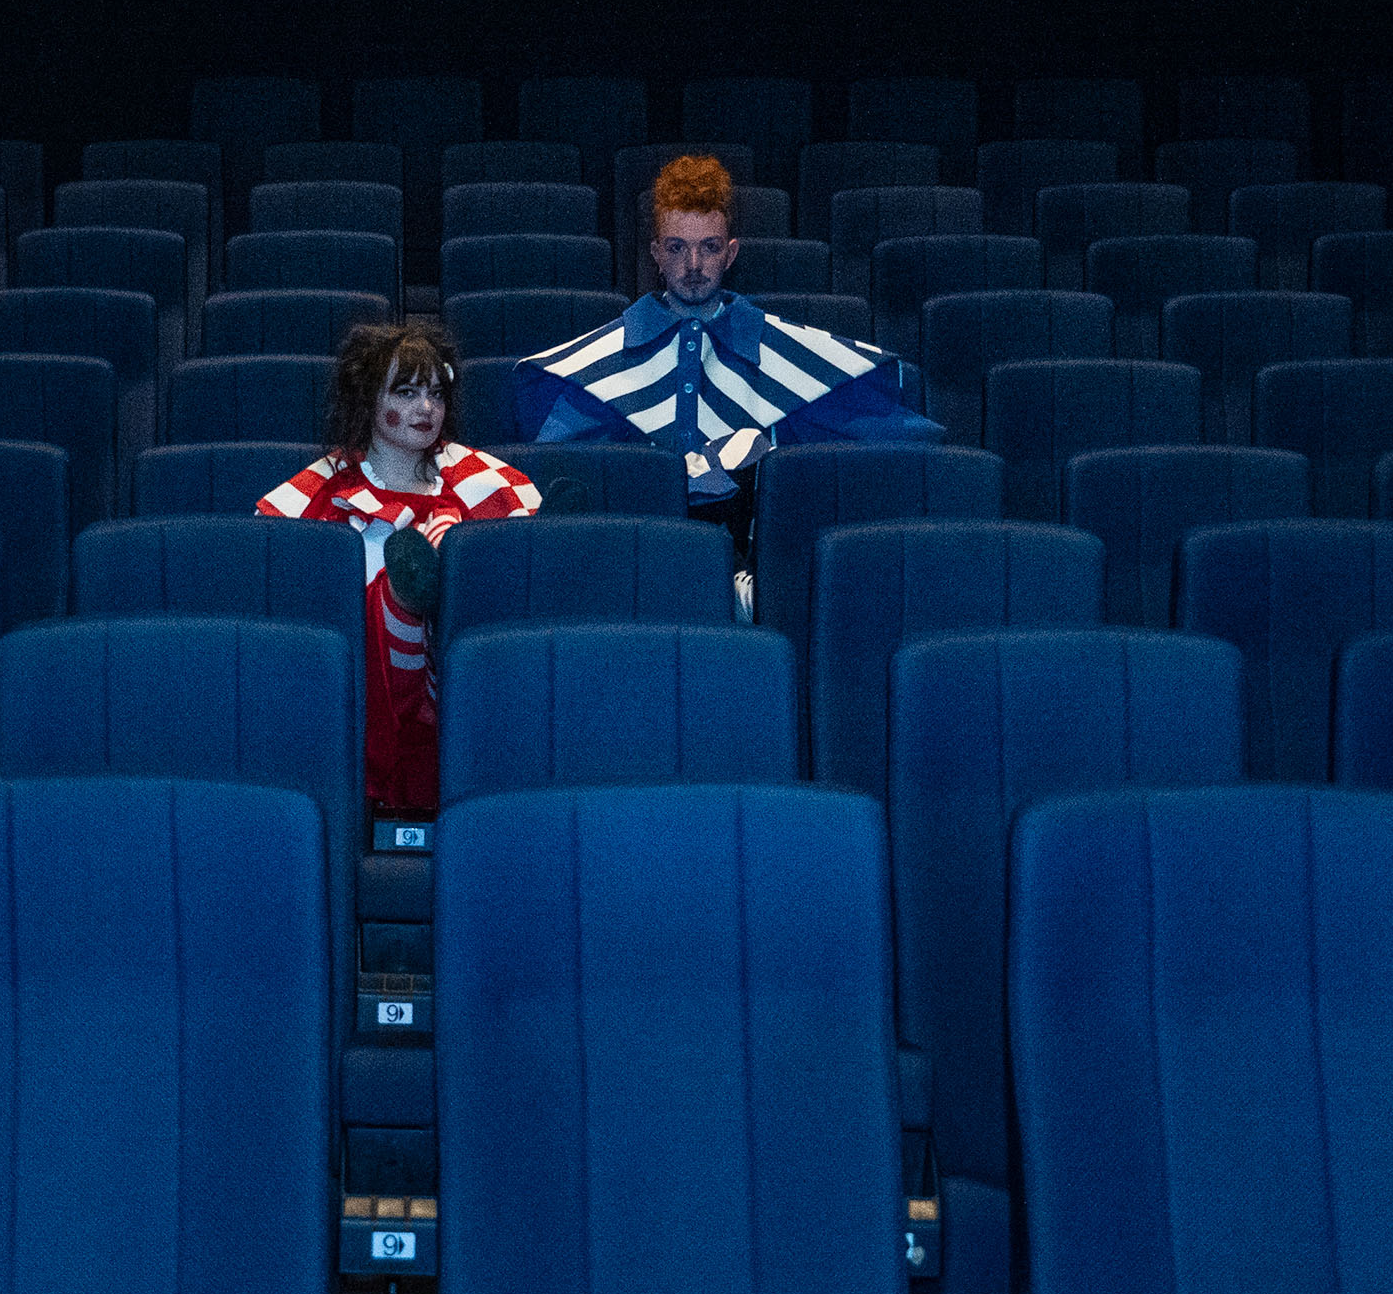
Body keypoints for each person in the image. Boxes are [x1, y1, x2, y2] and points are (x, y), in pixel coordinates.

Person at [511, 153, 939, 583]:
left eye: (709, 247)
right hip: (633, 561)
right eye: (677, 247)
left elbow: (901, 445)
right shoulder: (604, 361)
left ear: (731, 253)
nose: (693, 265)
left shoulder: (778, 349)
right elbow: (561, 475)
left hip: (750, 558)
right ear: (656, 253)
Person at [257, 322, 540, 817]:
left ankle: (421, 598)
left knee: (497, 563)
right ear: (369, 400)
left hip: (465, 686)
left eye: (436, 394)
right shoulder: (321, 492)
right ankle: (403, 603)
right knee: (385, 603)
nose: (426, 408)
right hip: (366, 693)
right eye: (406, 393)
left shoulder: (478, 479)